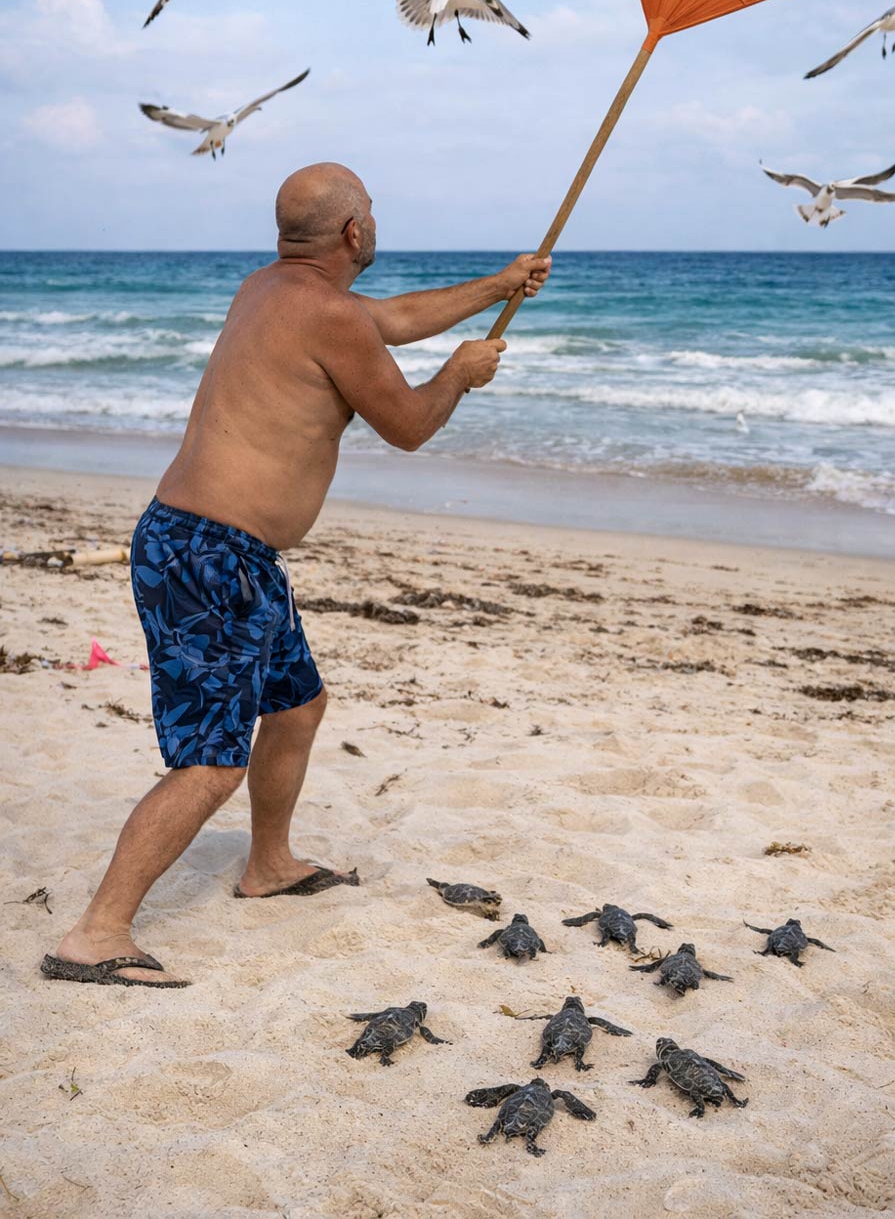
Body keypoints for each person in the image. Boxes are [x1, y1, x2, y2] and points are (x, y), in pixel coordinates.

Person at [41, 162, 550, 986]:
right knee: (212, 761)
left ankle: (269, 864)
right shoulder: (329, 313)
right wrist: (459, 374)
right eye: (370, 210)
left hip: (219, 550)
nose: (374, 220)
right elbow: (409, 425)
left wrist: (501, 283)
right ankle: (98, 933)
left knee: (297, 706)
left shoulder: (272, 290)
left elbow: (390, 319)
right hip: (211, 556)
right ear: (354, 231)